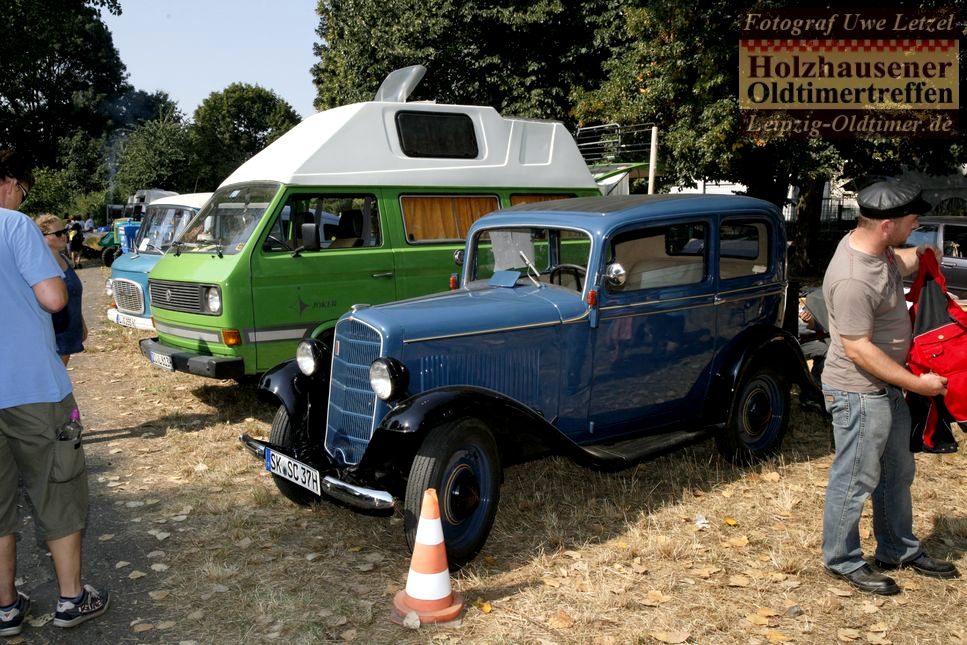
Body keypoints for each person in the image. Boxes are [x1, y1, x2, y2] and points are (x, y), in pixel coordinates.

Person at [821, 177, 959, 595]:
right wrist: (918, 383)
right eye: (912, 222)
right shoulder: (851, 278)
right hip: (859, 391)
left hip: (887, 388)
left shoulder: (875, 249)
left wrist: (919, 255)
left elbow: (897, 265)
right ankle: (842, 560)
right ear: (887, 224)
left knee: (897, 472)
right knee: (856, 477)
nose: (916, 224)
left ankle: (897, 548)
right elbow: (859, 349)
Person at [0, 149, 109, 637]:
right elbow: (53, 298)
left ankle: (4, 608)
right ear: (8, 183)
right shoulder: (15, 225)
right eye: (22, 188)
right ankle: (71, 599)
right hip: (31, 387)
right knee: (57, 487)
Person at [35, 214, 87, 365]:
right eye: (58, 234)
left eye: (64, 231)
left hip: (69, 332)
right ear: (42, 237)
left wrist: (81, 322)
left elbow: (73, 295)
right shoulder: (41, 265)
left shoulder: (64, 259)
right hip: (55, 337)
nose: (64, 236)